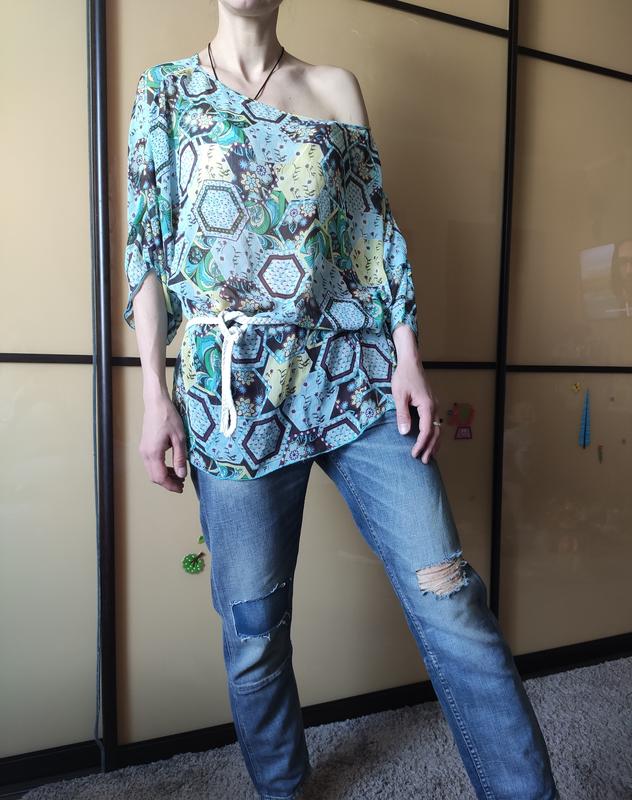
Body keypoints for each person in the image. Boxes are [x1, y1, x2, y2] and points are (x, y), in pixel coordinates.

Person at [123, 2, 560, 798]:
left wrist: (408, 355)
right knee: (254, 633)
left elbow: (372, 235)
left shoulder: (334, 87)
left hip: (355, 374)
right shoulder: (166, 91)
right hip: (234, 397)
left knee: (451, 596)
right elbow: (147, 250)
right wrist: (156, 395)